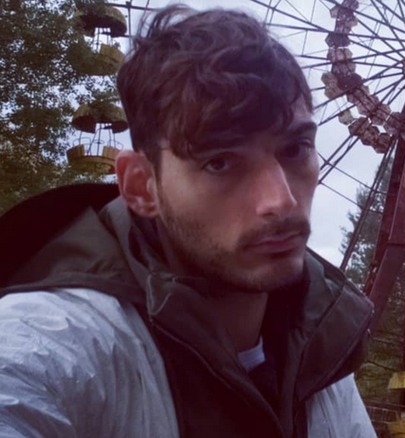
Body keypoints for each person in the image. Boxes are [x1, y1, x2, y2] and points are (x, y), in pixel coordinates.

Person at [0, 5, 375, 437]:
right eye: (220, 163)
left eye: (295, 150)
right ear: (141, 187)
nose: (281, 200)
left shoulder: (319, 356)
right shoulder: (53, 343)